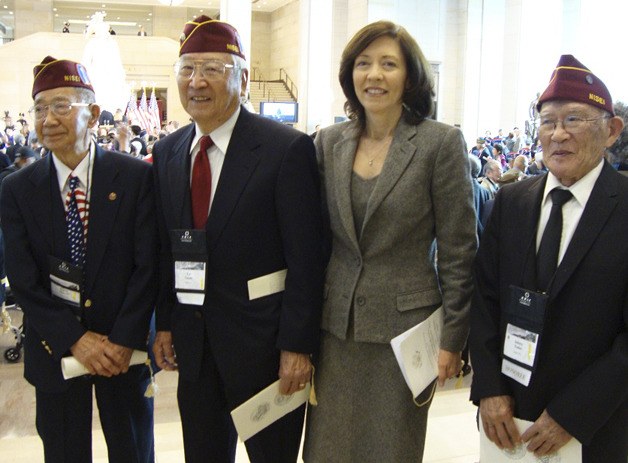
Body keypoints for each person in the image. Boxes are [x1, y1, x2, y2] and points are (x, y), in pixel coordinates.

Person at [151, 16, 325, 463]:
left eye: (212, 68)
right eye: (187, 69)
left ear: (243, 79)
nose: (197, 82)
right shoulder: (169, 153)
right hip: (195, 351)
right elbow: (165, 248)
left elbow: (307, 260)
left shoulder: (284, 149)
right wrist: (167, 322)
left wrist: (297, 346)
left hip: (266, 353)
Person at [303, 21, 476, 462]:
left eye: (388, 64)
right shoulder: (327, 143)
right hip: (335, 332)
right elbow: (314, 242)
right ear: (350, 75)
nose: (374, 75)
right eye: (363, 64)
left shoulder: (440, 143)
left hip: (406, 338)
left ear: (410, 76)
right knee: (328, 450)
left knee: (390, 450)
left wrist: (453, 339)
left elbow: (459, 250)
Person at [470, 54, 628, 462]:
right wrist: (488, 388)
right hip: (507, 419)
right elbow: (484, 298)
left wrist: (572, 415)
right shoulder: (512, 201)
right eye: (547, 121)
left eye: (574, 120)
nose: (558, 134)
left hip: (594, 426)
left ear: (611, 131)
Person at [0, 56, 157, 463]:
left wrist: (122, 340)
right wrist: (74, 339)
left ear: (92, 111)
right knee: (64, 450)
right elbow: (23, 279)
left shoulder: (135, 177)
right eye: (39, 108)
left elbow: (148, 266)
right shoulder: (18, 190)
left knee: (133, 450)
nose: (47, 119)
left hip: (124, 352)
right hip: (55, 349)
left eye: (60, 106)